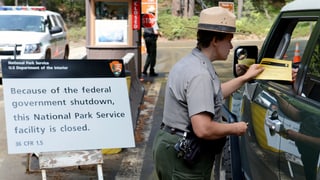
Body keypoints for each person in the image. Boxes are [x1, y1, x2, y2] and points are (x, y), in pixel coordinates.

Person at [152, 7, 264, 179]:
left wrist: (244, 78)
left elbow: (212, 95)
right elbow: (203, 129)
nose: (231, 46)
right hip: (184, 151)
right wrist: (235, 128)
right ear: (215, 40)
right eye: (229, 40)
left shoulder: (192, 61)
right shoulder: (200, 74)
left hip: (171, 143)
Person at [142, 6, 161, 76]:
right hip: (152, 38)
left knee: (149, 54)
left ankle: (144, 70)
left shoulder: (144, 18)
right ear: (153, 12)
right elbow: (156, 31)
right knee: (152, 55)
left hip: (146, 37)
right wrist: (160, 33)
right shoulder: (153, 18)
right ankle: (151, 70)